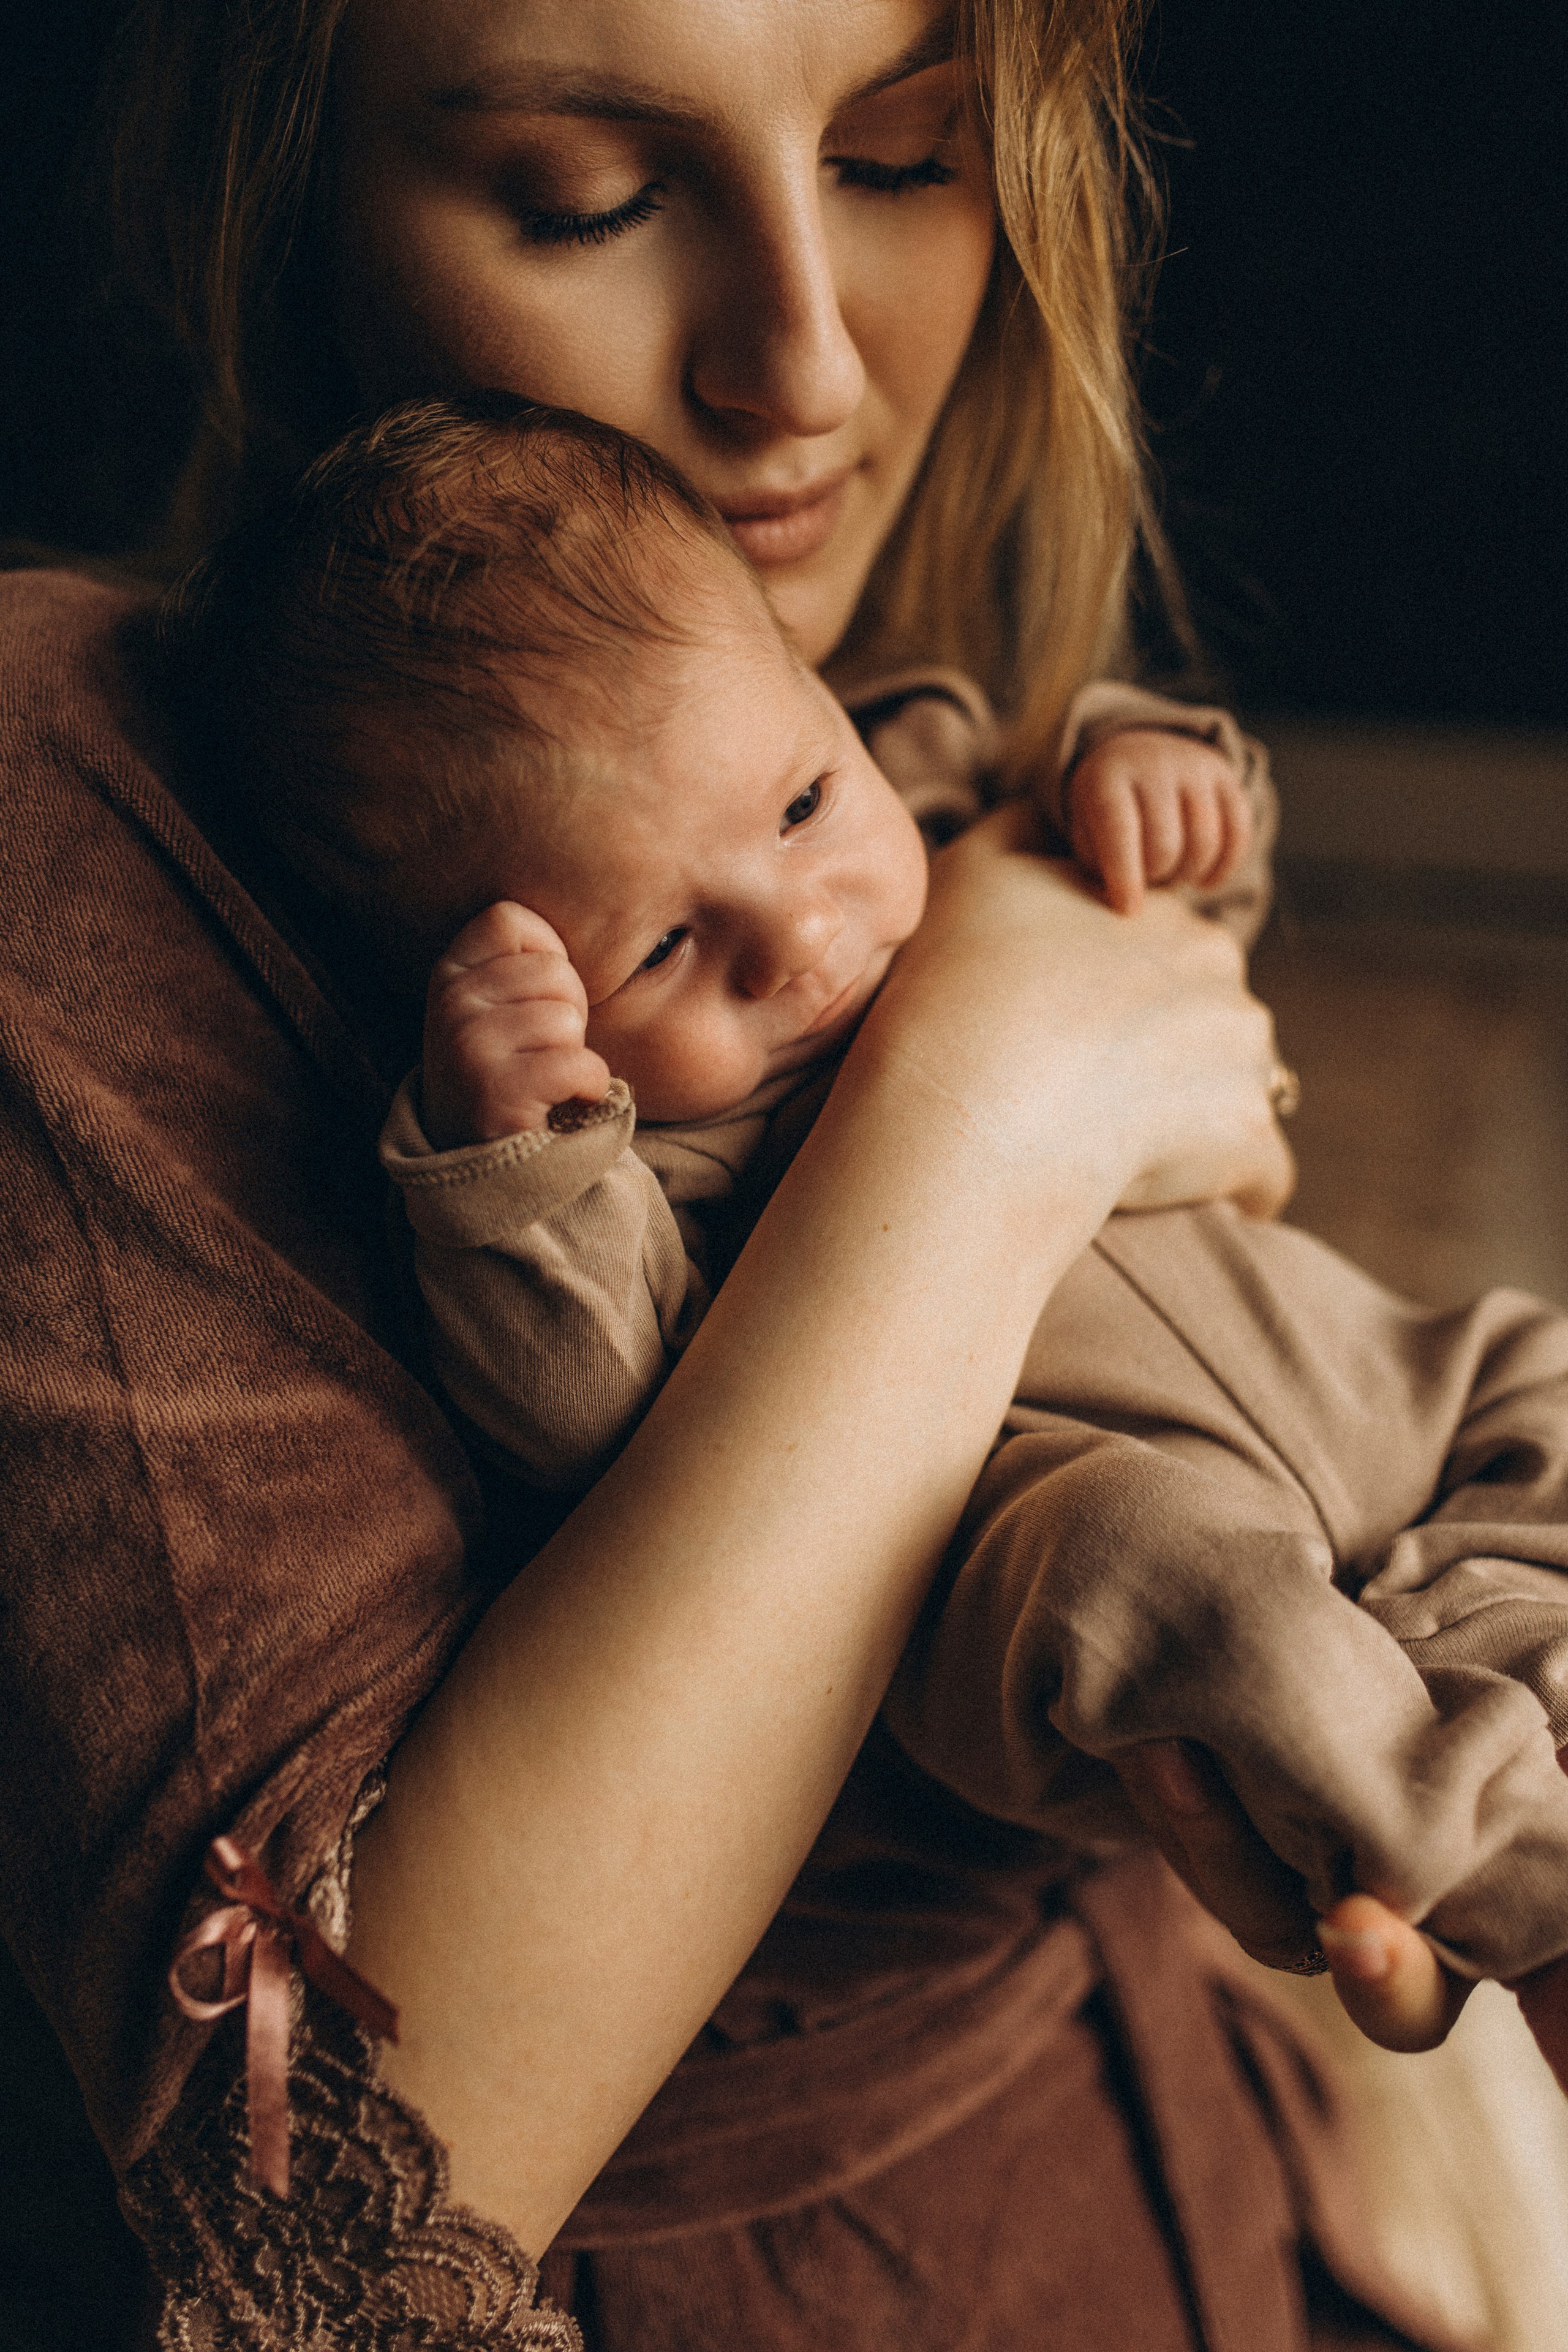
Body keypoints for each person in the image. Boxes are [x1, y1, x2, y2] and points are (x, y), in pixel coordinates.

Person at [1, 0, 1560, 2345]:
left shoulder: (841, 687)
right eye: (588, 201)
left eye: (911, 156)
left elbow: (1069, 814)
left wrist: (1137, 798)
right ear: (293, 179)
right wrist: (989, 1106)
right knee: (1192, 1597)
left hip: (1195, 2153)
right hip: (792, 2268)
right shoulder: (91, 803)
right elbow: (321, 2229)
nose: (809, 370)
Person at [172, 387, 1568, 2005]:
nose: (796, 931)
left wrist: (1151, 782)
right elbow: (585, 1424)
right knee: (1170, 1576)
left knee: (1528, 1363)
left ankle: (1498, 1657)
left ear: (822, 702)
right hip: (1052, 1524)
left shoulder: (939, 780)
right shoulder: (621, 1166)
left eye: (798, 806)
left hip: (1364, 1373)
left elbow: (1186, 934)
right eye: (660, 946)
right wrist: (516, 1168)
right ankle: (1487, 1857)